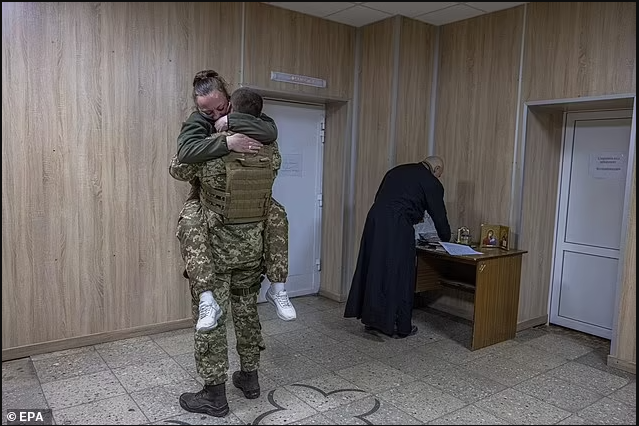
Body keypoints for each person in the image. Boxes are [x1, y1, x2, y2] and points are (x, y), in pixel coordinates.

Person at [175, 70, 297, 329]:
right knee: (189, 222)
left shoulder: (243, 117)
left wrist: (232, 121)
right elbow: (184, 154)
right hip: (207, 202)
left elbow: (270, 130)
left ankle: (279, 287)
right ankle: (207, 296)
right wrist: (227, 143)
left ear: (229, 99)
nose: (215, 115)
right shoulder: (198, 121)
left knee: (277, 214)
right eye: (208, 112)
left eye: (220, 107)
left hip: (248, 208)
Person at [344, 156, 451, 338]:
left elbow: (380, 197)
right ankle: (400, 326)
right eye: (440, 174)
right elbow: (439, 216)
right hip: (397, 224)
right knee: (400, 273)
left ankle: (372, 320)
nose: (439, 178)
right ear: (436, 168)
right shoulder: (430, 182)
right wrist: (447, 240)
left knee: (375, 269)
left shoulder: (397, 171)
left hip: (375, 220)